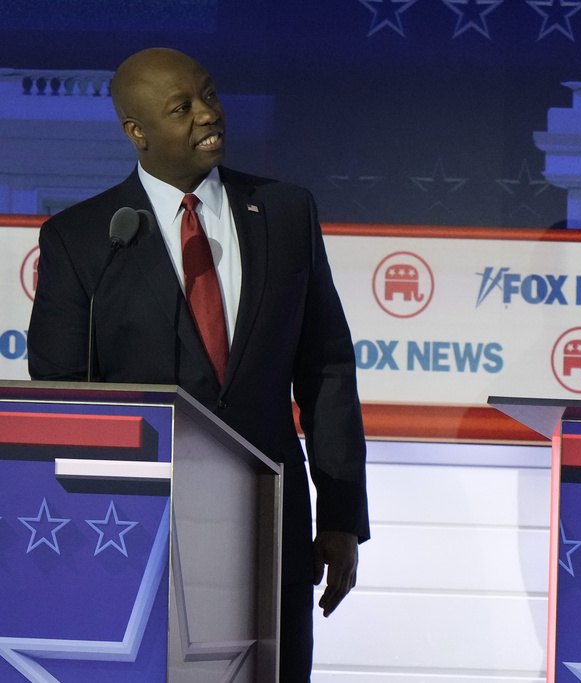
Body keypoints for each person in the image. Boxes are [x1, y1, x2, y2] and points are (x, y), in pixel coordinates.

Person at [26, 47, 368, 681]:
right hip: (135, 532)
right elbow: (61, 401)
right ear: (138, 132)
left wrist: (342, 517)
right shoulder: (82, 239)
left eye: (209, 95)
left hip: (274, 524)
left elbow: (326, 371)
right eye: (181, 108)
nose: (209, 114)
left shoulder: (287, 212)